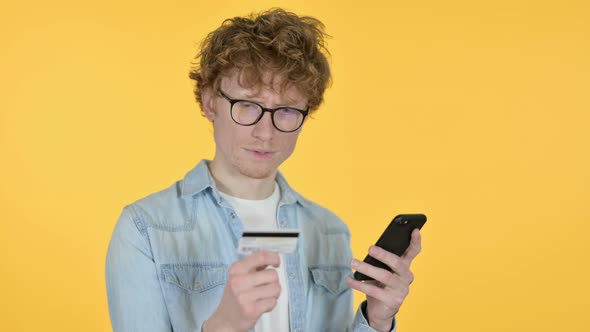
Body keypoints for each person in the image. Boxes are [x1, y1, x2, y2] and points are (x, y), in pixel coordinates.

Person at [106, 8, 422, 332]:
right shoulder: (145, 229)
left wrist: (377, 320)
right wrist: (224, 325)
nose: (265, 132)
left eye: (285, 111)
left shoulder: (330, 232)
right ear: (210, 102)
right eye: (247, 105)